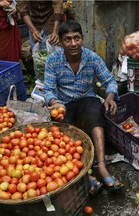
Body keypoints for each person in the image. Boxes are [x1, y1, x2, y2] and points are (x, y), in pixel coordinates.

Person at [43, 20, 123, 194]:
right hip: (63, 103)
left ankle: (101, 166)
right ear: (61, 42)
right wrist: (54, 103)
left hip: (86, 99)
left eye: (76, 38)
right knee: (62, 132)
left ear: (82, 39)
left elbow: (110, 80)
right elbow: (48, 89)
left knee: (96, 112)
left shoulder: (91, 58)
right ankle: (84, 173)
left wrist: (109, 96)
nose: (73, 43)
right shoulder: (52, 61)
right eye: (68, 39)